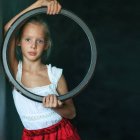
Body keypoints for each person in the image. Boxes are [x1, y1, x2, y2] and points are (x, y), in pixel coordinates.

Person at [4, 0, 81, 139]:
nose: (33, 46)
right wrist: (39, 4)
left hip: (62, 134)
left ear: (46, 45)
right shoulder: (15, 71)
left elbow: (71, 112)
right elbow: (8, 29)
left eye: (39, 41)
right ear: (18, 42)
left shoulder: (54, 75)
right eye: (28, 39)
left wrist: (56, 106)